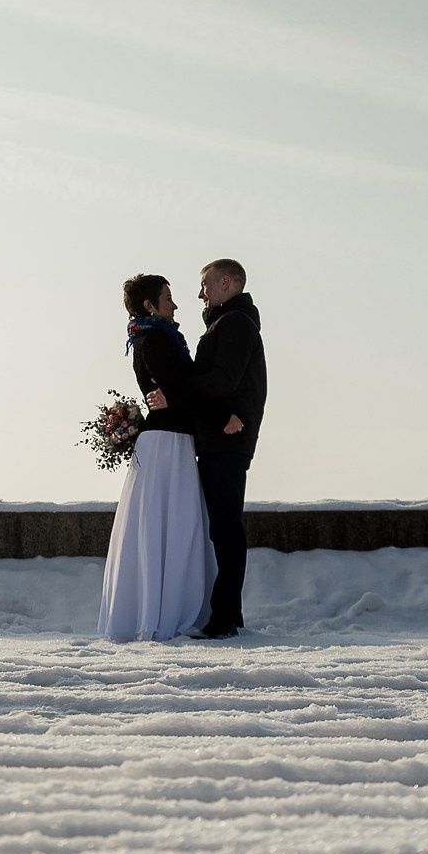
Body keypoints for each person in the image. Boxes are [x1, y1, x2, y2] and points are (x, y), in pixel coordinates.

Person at [96, 274, 217, 642]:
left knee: (161, 527)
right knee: (175, 525)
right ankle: (167, 614)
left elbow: (174, 389)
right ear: (150, 305)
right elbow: (176, 387)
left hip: (167, 438)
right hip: (168, 441)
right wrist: (219, 414)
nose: (175, 305)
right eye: (167, 298)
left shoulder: (149, 338)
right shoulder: (157, 340)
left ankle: (155, 609)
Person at [151, 258, 266, 638]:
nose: (200, 294)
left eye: (204, 285)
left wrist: (174, 395)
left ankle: (224, 620)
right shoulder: (228, 322)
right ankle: (229, 616)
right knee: (222, 526)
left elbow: (222, 380)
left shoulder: (234, 323)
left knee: (225, 527)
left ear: (226, 282)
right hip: (222, 437)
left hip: (227, 439)